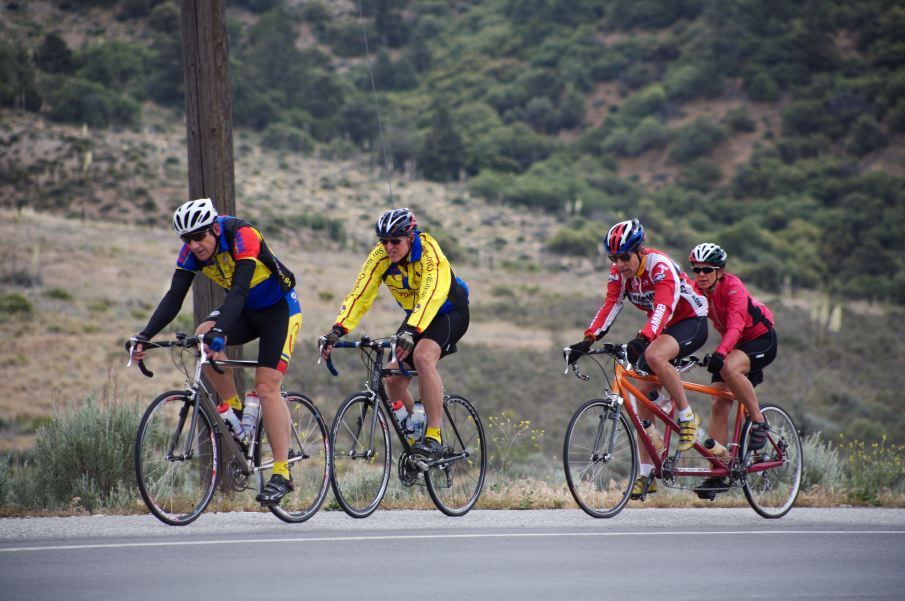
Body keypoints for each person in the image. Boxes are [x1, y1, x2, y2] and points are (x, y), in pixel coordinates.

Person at [130, 198, 301, 506]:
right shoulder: (191, 253)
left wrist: (222, 329)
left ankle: (282, 473)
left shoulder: (243, 235)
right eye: (187, 239)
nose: (194, 245)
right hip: (245, 309)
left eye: (199, 237)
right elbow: (174, 296)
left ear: (213, 229)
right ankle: (234, 409)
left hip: (279, 310)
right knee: (201, 339)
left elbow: (239, 290)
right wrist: (145, 336)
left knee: (266, 386)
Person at [567, 218, 709, 499]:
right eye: (614, 258)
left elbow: (664, 306)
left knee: (654, 354)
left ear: (639, 251)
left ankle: (686, 417)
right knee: (642, 398)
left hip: (690, 320)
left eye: (624, 257)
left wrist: (644, 338)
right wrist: (587, 340)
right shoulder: (618, 274)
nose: (619, 264)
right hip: (663, 326)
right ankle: (647, 475)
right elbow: (612, 304)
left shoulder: (659, 266)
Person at [320, 207, 469, 460]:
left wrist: (412, 331)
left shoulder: (429, 251)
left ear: (411, 237)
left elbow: (432, 293)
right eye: (383, 241)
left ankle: (433, 436)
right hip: (416, 318)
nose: (389, 247)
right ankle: (418, 437)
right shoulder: (380, 257)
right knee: (393, 380)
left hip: (448, 312)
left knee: (423, 358)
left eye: (395, 241)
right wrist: (338, 329)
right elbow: (360, 294)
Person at [688, 242, 777, 497]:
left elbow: (736, 327)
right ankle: (719, 471)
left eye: (707, 269)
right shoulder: (697, 290)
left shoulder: (734, 288)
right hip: (734, 344)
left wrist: (720, 354)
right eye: (696, 270)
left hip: (760, 339)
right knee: (718, 404)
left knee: (728, 367)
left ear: (720, 271)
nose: (701, 275)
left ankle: (759, 421)